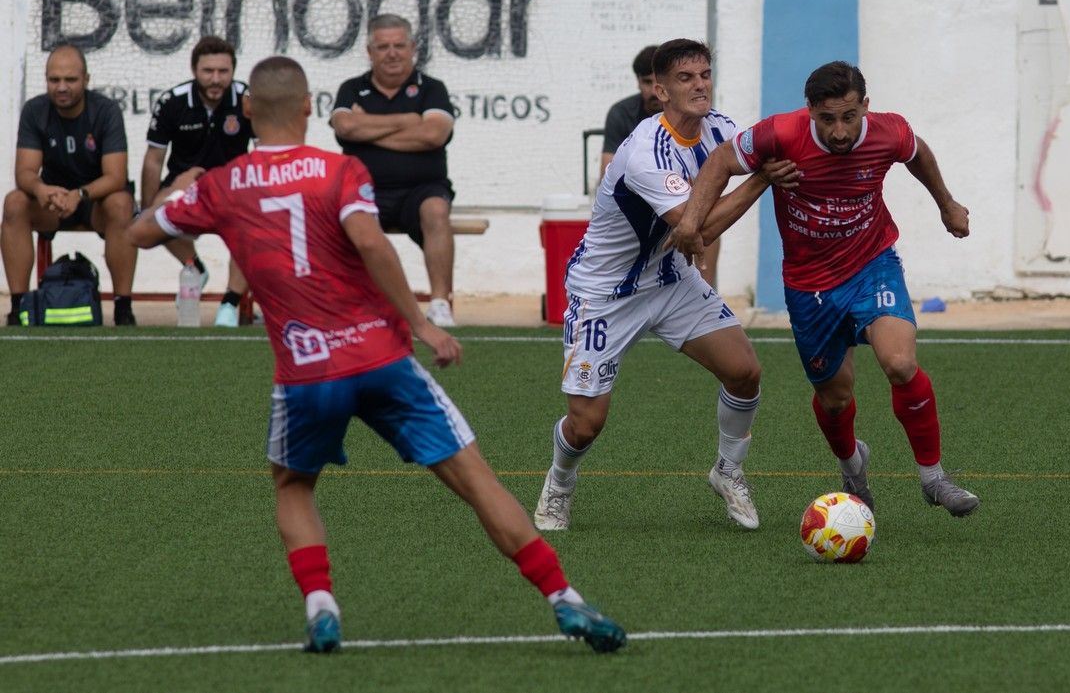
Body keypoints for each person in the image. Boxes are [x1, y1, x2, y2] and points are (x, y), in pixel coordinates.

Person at [127, 56, 626, 654]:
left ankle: (321, 606)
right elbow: (368, 241)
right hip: (381, 358)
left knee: (294, 486)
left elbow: (139, 233)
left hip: (306, 371)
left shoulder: (223, 184)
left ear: (248, 110)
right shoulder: (341, 171)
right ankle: (564, 599)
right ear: (310, 106)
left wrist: (176, 192)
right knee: (475, 480)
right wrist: (422, 324)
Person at [672, 60, 980, 517]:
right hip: (809, 284)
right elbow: (720, 161)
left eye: (849, 117)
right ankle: (853, 468)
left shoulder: (888, 131)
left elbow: (918, 153)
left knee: (899, 361)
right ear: (810, 111)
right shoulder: (779, 134)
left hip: (872, 263)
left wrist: (947, 203)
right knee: (835, 399)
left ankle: (934, 478)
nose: (839, 132)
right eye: (827, 119)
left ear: (865, 108)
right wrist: (691, 224)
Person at [534, 39, 796, 533]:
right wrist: (762, 181)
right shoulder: (646, 153)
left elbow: (766, 148)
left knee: (744, 371)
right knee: (587, 423)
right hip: (607, 294)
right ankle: (559, 483)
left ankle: (728, 471)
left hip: (671, 279)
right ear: (659, 90)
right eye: (685, 78)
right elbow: (697, 230)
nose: (700, 85)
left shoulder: (719, 128)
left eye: (704, 74)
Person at [330, 14, 458, 328]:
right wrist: (409, 121)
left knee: (436, 210)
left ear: (413, 47)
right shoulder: (351, 88)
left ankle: (440, 304)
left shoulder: (432, 89)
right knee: (334, 215)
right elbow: (345, 127)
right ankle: (347, 304)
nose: (392, 53)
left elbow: (433, 135)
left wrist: (369, 129)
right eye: (383, 46)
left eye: (399, 45)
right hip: (364, 191)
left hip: (422, 189)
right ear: (369, 51)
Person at [3, 44, 138, 326]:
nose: (62, 87)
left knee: (122, 203)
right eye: (54, 80)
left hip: (94, 201)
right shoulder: (35, 110)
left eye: (70, 80)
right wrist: (41, 189)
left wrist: (81, 194)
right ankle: (19, 307)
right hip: (52, 202)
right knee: (15, 202)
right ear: (46, 79)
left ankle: (123, 308)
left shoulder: (106, 111)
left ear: (86, 80)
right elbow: (25, 172)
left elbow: (115, 176)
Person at [142, 36, 254, 327]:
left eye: (223, 71)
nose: (216, 79)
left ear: (233, 71)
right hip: (185, 187)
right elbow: (153, 159)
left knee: (253, 227)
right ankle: (195, 268)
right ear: (194, 71)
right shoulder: (171, 101)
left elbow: (266, 148)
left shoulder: (247, 99)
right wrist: (145, 208)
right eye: (208, 71)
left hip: (234, 189)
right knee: (153, 216)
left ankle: (230, 303)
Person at [600, 45, 721, 287]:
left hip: (684, 200)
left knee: (707, 223)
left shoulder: (710, 121)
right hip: (639, 202)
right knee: (700, 218)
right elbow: (607, 168)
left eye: (704, 75)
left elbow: (720, 163)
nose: (653, 92)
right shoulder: (623, 114)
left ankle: (707, 289)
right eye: (647, 82)